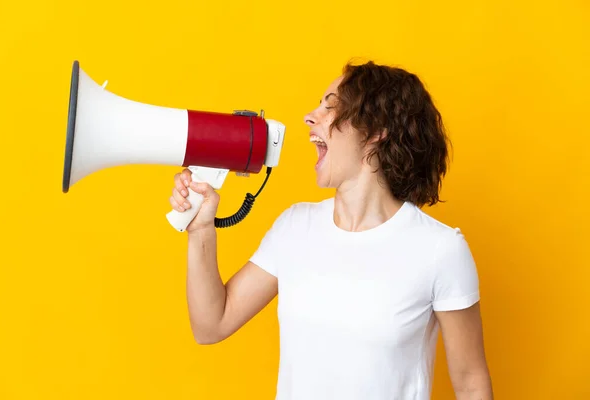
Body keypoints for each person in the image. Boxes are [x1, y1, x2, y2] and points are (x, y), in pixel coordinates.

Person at [169, 61, 493, 400]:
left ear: (376, 129)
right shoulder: (295, 227)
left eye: (330, 106)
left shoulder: (440, 250)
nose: (310, 117)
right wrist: (201, 228)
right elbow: (211, 325)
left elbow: (471, 383)